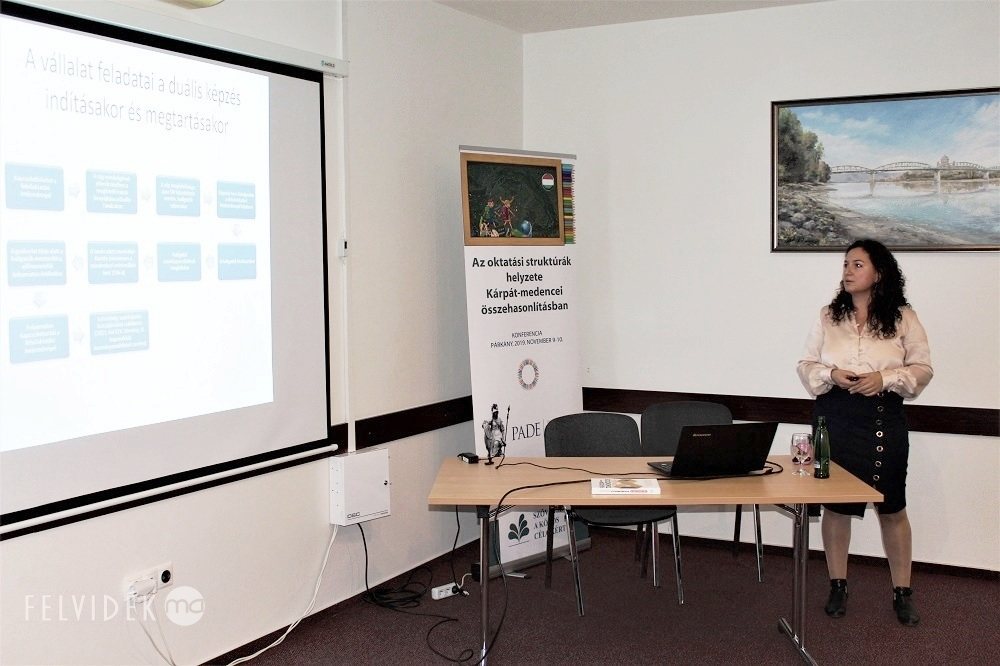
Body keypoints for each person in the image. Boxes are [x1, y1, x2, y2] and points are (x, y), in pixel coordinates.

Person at [797, 239, 933, 627]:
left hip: (882, 419)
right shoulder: (828, 316)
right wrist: (831, 374)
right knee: (836, 508)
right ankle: (837, 585)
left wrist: (885, 378)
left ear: (879, 272)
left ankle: (902, 592)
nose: (848, 271)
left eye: (857, 264)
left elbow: (923, 369)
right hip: (835, 417)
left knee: (892, 507)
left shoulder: (904, 317)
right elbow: (806, 364)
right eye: (845, 264)